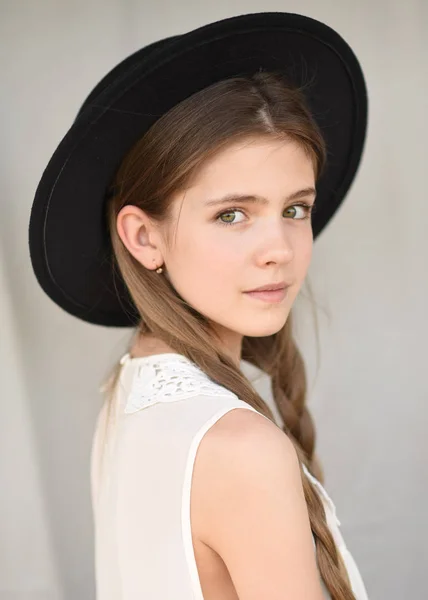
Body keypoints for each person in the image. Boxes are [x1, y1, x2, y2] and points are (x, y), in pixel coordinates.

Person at [28, 12, 369, 600]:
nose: (278, 252)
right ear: (144, 237)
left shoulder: (130, 391)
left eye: (295, 209)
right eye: (232, 214)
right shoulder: (240, 448)